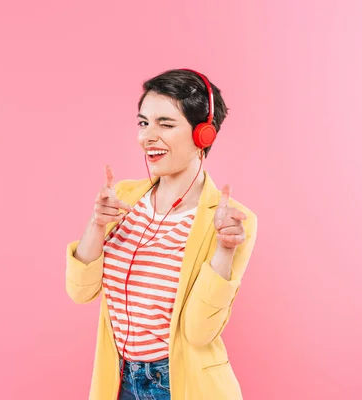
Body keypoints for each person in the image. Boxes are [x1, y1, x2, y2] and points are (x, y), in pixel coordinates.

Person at [66, 68, 258, 400]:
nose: (147, 137)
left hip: (179, 384)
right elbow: (80, 292)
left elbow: (199, 332)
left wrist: (224, 250)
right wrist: (95, 226)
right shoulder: (123, 197)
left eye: (165, 124)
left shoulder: (232, 222)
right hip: (120, 380)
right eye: (143, 123)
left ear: (204, 135)